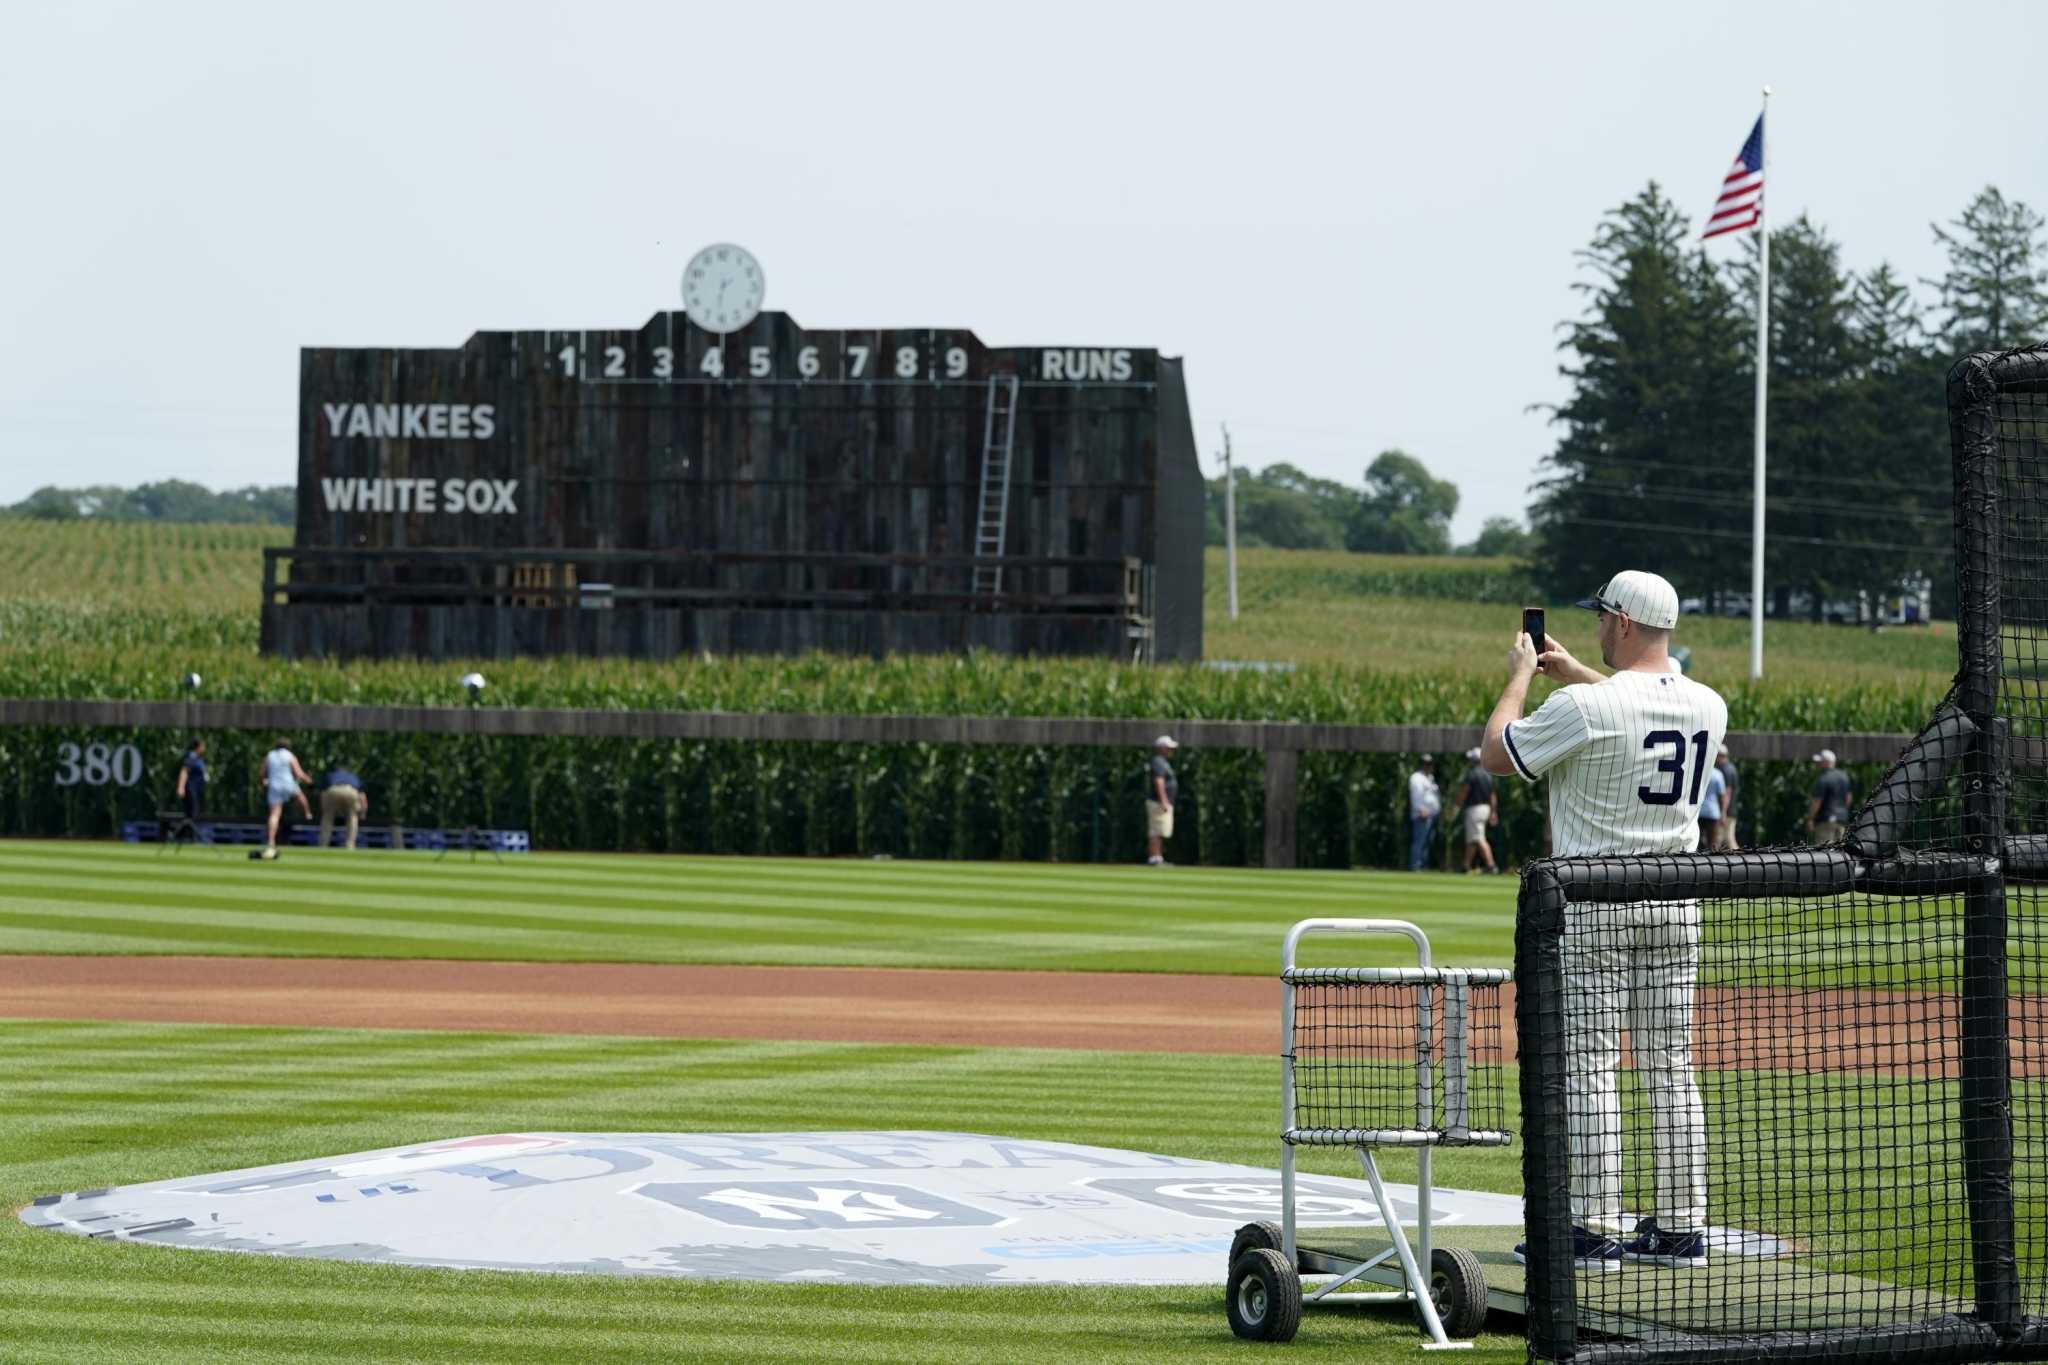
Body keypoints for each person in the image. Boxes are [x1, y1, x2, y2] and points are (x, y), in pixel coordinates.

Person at [1482, 569, 1727, 1272]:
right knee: (1670, 1066)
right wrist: (1578, 671)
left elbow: (1497, 752)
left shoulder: (1590, 708)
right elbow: (1642, 701)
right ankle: (1681, 1228)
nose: (1594, 626)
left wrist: (1521, 677)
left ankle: (1591, 1225)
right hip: (1678, 903)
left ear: (1621, 620)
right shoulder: (1710, 705)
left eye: (1601, 617)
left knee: (1590, 1063)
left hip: (1594, 903)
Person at [261, 737, 313, 857]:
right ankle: (308, 814)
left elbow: (262, 772)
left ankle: (271, 840)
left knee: (274, 814)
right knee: (300, 796)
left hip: (274, 785)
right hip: (288, 783)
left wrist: (263, 781)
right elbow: (298, 773)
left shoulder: (270, 755)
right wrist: (308, 780)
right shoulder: (290, 755)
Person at [1457, 746, 1500, 874]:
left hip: (1474, 809)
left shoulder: (1472, 774)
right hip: (1485, 809)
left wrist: (1456, 806)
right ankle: (1465, 865)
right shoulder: (1488, 775)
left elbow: (1464, 791)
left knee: (1479, 838)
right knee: (1473, 838)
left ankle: (1491, 865)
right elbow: (1493, 796)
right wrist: (1493, 812)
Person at [1145, 736, 1178, 867]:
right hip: (1157, 802)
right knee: (1156, 830)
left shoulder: (1163, 762)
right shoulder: (1158, 761)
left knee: (1160, 830)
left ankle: (1158, 857)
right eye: (1168, 748)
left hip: (1162, 802)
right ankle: (1154, 858)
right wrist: (1164, 800)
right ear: (1162, 748)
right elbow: (1159, 781)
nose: (1171, 750)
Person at [319, 766, 370, 850]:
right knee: (352, 816)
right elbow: (362, 796)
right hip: (351, 791)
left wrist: (324, 809)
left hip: (333, 790)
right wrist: (363, 812)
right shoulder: (352, 776)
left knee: (327, 818)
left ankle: (323, 844)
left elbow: (323, 794)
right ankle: (350, 845)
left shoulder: (330, 775)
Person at [1807, 749, 1852, 844]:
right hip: (1842, 820)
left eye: (1820, 762)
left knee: (1825, 853)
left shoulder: (1823, 779)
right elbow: (1848, 799)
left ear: (1826, 763)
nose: (1817, 765)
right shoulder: (1844, 777)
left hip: (1825, 821)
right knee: (1840, 853)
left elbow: (1817, 801)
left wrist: (1811, 818)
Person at [1406, 755, 1441, 872]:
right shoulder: (1416, 778)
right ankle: (1415, 865)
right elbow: (1416, 796)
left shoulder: (1430, 778)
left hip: (1431, 815)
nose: (1430, 766)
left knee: (1426, 843)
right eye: (1427, 764)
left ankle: (1422, 865)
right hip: (1422, 815)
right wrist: (1421, 809)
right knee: (1419, 841)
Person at [170, 738, 207, 844]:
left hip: (196, 790)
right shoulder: (191, 757)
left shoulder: (199, 758)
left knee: (192, 814)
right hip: (190, 789)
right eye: (203, 746)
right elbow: (184, 771)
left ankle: (185, 836)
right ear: (198, 747)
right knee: (191, 814)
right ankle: (187, 837)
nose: (204, 748)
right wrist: (181, 787)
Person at [1712, 744, 1739, 850]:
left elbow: (1727, 792)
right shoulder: (1731, 768)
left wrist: (1723, 812)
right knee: (1724, 840)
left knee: (1725, 840)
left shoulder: (1725, 770)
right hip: (1731, 810)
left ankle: (1742, 863)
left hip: (1727, 811)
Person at [1698, 760, 1727, 850]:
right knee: (1713, 842)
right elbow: (1722, 797)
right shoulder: (1718, 774)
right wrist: (1723, 813)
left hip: (1698, 811)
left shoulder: (1699, 773)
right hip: (1712, 812)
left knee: (1697, 841)